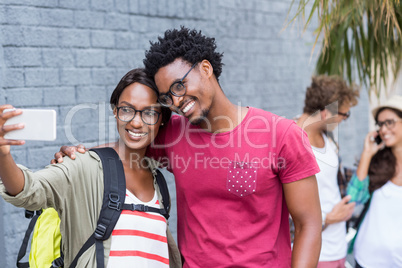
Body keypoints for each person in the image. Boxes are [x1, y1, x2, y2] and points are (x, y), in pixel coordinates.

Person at [54, 27, 322, 267]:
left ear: (206, 69)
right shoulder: (173, 135)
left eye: (179, 86)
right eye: (167, 96)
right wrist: (81, 154)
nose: (176, 100)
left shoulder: (282, 134)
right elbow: (126, 149)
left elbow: (308, 224)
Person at [0, 69, 181, 267]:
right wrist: (3, 154)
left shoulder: (159, 183)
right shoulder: (84, 165)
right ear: (115, 111)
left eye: (149, 113)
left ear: (162, 119)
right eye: (127, 109)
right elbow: (28, 190)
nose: (136, 122)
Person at [296, 75, 359, 268]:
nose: (345, 120)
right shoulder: (291, 141)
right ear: (326, 112)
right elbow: (280, 201)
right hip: (314, 253)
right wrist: (328, 218)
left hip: (338, 247)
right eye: (343, 114)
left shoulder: (328, 137)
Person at [347, 95, 402, 268]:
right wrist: (367, 154)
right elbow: (353, 198)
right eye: (380, 124)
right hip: (366, 260)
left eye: (389, 122)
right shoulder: (377, 162)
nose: (384, 130)